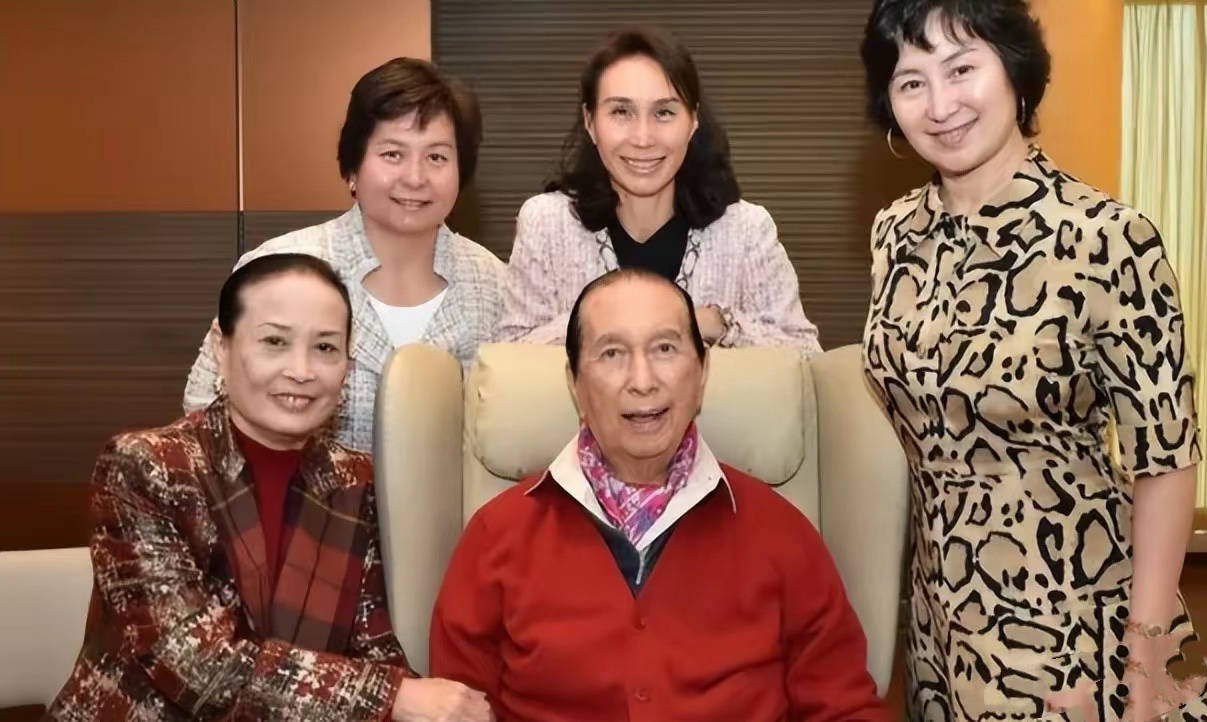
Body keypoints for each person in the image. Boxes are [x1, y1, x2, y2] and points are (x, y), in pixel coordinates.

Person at [859, 1, 1207, 719]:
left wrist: (1144, 664)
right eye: (911, 82)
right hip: (937, 622)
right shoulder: (893, 232)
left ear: (1014, 70)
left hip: (1070, 622)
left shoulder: (1109, 240)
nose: (941, 105)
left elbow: (1165, 460)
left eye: (962, 69)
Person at [49, 254, 491, 722]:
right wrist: (391, 697)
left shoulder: (354, 479)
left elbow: (373, 643)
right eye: (275, 342)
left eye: (325, 347)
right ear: (222, 348)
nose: (301, 370)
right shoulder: (147, 465)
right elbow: (195, 665)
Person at [431, 268, 884, 721]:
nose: (642, 380)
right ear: (575, 383)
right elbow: (456, 708)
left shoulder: (780, 532)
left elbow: (845, 708)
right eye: (612, 353)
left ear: (702, 371)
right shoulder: (497, 534)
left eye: (665, 348)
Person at [185, 57, 506, 453]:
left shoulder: (494, 284)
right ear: (353, 166)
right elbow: (202, 407)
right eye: (393, 154)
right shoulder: (281, 266)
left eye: (436, 157)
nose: (415, 177)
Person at [495, 27, 820, 354]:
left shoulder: (746, 230)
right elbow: (509, 356)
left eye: (664, 113)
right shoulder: (547, 223)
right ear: (590, 122)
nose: (643, 138)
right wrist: (614, 321)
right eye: (621, 112)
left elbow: (805, 355)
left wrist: (715, 323)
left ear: (692, 121)